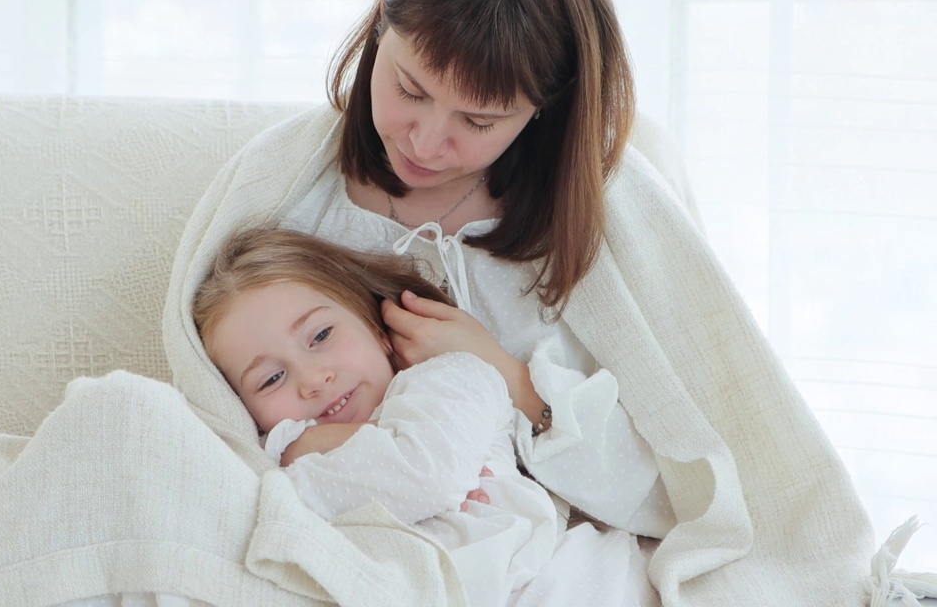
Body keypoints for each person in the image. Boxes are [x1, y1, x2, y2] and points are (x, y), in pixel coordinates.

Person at [166, 0, 921, 607]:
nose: (427, 142)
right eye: (409, 88)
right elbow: (213, 425)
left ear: (544, 106)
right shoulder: (283, 189)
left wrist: (512, 380)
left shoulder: (605, 212)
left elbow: (692, 484)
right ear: (383, 9)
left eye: (478, 119)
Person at [192, 226, 658, 607]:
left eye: (321, 335)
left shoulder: (452, 376)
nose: (313, 379)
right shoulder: (266, 459)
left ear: (377, 328)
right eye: (271, 380)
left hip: (565, 580)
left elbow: (425, 475)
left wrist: (301, 450)